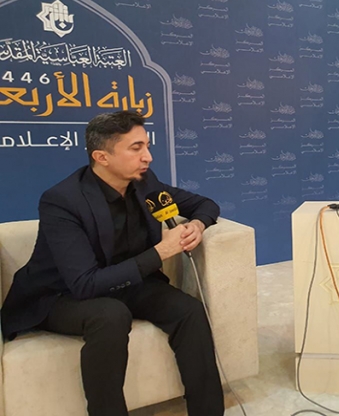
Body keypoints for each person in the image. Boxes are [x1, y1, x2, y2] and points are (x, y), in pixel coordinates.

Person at [1, 111, 225, 416]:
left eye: (147, 146)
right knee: (110, 316)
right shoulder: (62, 200)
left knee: (189, 310)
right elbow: (84, 283)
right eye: (136, 148)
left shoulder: (146, 183)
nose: (148, 157)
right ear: (101, 157)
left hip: (128, 281)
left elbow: (205, 204)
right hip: (61, 294)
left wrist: (197, 224)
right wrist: (161, 251)